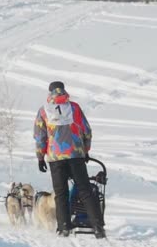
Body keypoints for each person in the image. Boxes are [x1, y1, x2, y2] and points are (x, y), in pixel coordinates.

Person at [33, 81, 106, 238]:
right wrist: (85, 150)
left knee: (61, 193)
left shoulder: (43, 111)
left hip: (55, 158)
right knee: (85, 190)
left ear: (50, 92)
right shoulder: (74, 108)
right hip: (75, 155)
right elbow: (86, 130)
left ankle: (64, 227)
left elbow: (40, 136)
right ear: (64, 91)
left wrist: (40, 157)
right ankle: (98, 227)